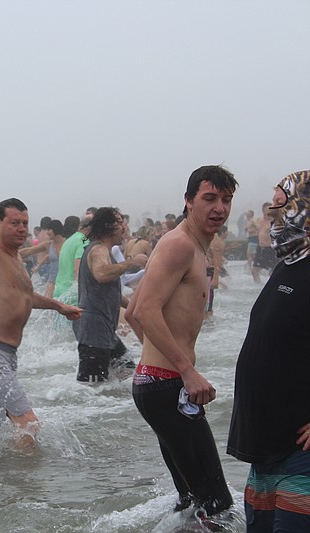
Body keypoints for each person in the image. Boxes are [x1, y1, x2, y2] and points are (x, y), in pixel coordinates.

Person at [125, 165, 238, 519]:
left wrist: (158, 362)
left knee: (192, 503)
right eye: (209, 198)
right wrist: (184, 370)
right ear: (188, 202)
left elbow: (131, 312)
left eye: (226, 199)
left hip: (158, 384)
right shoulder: (179, 245)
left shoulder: (186, 245)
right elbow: (144, 310)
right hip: (167, 386)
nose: (219, 207)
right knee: (216, 505)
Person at [0, 157, 82, 452]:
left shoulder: (16, 260)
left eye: (25, 223)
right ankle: (22, 491)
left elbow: (25, 298)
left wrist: (57, 306)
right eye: (14, 223)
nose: (22, 228)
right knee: (28, 425)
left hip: (3, 354)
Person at [227, 170, 310, 531]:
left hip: (299, 454)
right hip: (265, 446)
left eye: (281, 206)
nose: (270, 217)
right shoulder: (287, 267)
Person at [74, 207, 147, 382]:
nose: (125, 227)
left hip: (103, 329)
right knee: (92, 387)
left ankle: (118, 405)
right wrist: (132, 262)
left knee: (127, 369)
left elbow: (108, 291)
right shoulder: (98, 250)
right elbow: (101, 274)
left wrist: (132, 306)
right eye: (120, 222)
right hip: (94, 329)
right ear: (108, 226)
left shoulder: (102, 250)